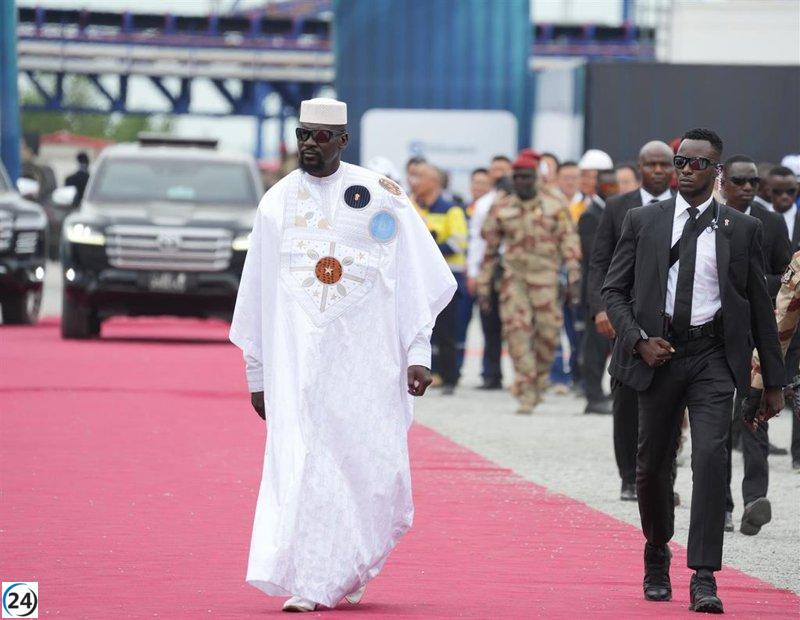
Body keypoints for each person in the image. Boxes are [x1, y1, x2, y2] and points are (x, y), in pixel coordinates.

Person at [229, 97, 456, 612]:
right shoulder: (276, 204)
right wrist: (258, 373)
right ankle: (313, 581)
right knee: (309, 462)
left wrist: (418, 352)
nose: (310, 145)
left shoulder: (382, 197)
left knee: (369, 468)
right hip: (299, 367)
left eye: (321, 137)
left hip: (368, 365)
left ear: (343, 141)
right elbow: (257, 297)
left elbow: (414, 281)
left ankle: (351, 562)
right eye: (303, 134)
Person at [602, 128, 784, 613]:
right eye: (680, 161)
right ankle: (657, 549)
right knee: (653, 468)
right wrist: (639, 341)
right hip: (656, 356)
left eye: (696, 164)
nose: (684, 170)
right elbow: (613, 292)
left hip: (711, 356)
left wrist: (773, 380)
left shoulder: (742, 230)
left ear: (716, 172)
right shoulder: (644, 220)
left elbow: (760, 308)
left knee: (711, 456)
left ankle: (704, 575)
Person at [589, 140, 674, 500]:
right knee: (625, 399)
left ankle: (662, 480)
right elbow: (600, 262)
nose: (657, 171)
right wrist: (601, 308)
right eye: (651, 165)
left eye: (664, 165)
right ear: (639, 168)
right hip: (625, 314)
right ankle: (629, 477)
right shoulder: (617, 207)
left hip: (670, 319)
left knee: (670, 402)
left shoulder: (683, 210)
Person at [719, 155, 792, 533]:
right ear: (723, 181)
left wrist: (751, 290)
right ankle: (722, 506)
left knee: (755, 419)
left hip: (755, 336)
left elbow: (786, 277)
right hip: (713, 338)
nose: (747, 188)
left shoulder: (772, 222)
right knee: (714, 427)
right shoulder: (706, 220)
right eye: (739, 181)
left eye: (752, 182)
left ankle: (753, 501)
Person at [477, 151, 581, 414]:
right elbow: (489, 250)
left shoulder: (554, 203)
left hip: (546, 278)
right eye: (518, 177)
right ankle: (525, 387)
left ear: (536, 178)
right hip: (514, 280)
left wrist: (573, 275)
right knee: (516, 334)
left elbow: (569, 241)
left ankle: (540, 378)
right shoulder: (502, 205)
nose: (522, 182)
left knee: (548, 333)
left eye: (528, 177)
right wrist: (484, 286)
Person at [414, 162, 468, 395]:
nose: (414, 181)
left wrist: (430, 247)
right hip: (422, 279)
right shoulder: (416, 208)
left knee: (447, 329)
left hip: (447, 278)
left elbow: (458, 242)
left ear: (434, 182)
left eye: (420, 177)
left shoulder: (451, 209)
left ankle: (450, 377)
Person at [766, 166, 800, 471]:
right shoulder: (759, 220)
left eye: (791, 191)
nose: (785, 197)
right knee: (758, 373)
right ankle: (747, 434)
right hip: (767, 311)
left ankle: (798, 454)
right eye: (778, 191)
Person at [466, 161, 511, 390]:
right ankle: (491, 374)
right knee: (489, 322)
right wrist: (474, 272)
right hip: (490, 269)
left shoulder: (523, 201)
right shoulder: (483, 204)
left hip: (517, 271)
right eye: (496, 170)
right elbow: (476, 240)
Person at [578, 163, 617, 414]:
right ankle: (592, 395)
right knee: (594, 345)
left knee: (611, 346)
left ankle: (607, 392)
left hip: (614, 289)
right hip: (596, 290)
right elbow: (595, 257)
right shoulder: (591, 215)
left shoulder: (616, 211)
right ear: (599, 187)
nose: (614, 189)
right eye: (609, 185)